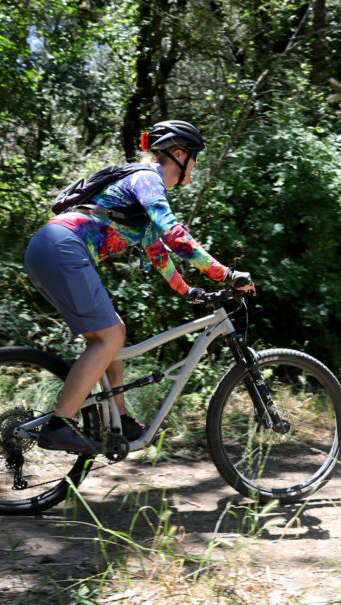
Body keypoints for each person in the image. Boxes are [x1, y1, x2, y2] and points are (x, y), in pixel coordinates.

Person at [24, 120, 255, 453]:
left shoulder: (140, 202)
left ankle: (118, 422)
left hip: (49, 248)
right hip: (63, 247)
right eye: (194, 157)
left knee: (111, 333)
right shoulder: (148, 179)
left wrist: (188, 291)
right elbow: (175, 236)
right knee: (111, 337)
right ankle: (60, 424)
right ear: (177, 153)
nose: (195, 165)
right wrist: (225, 274)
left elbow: (160, 253)